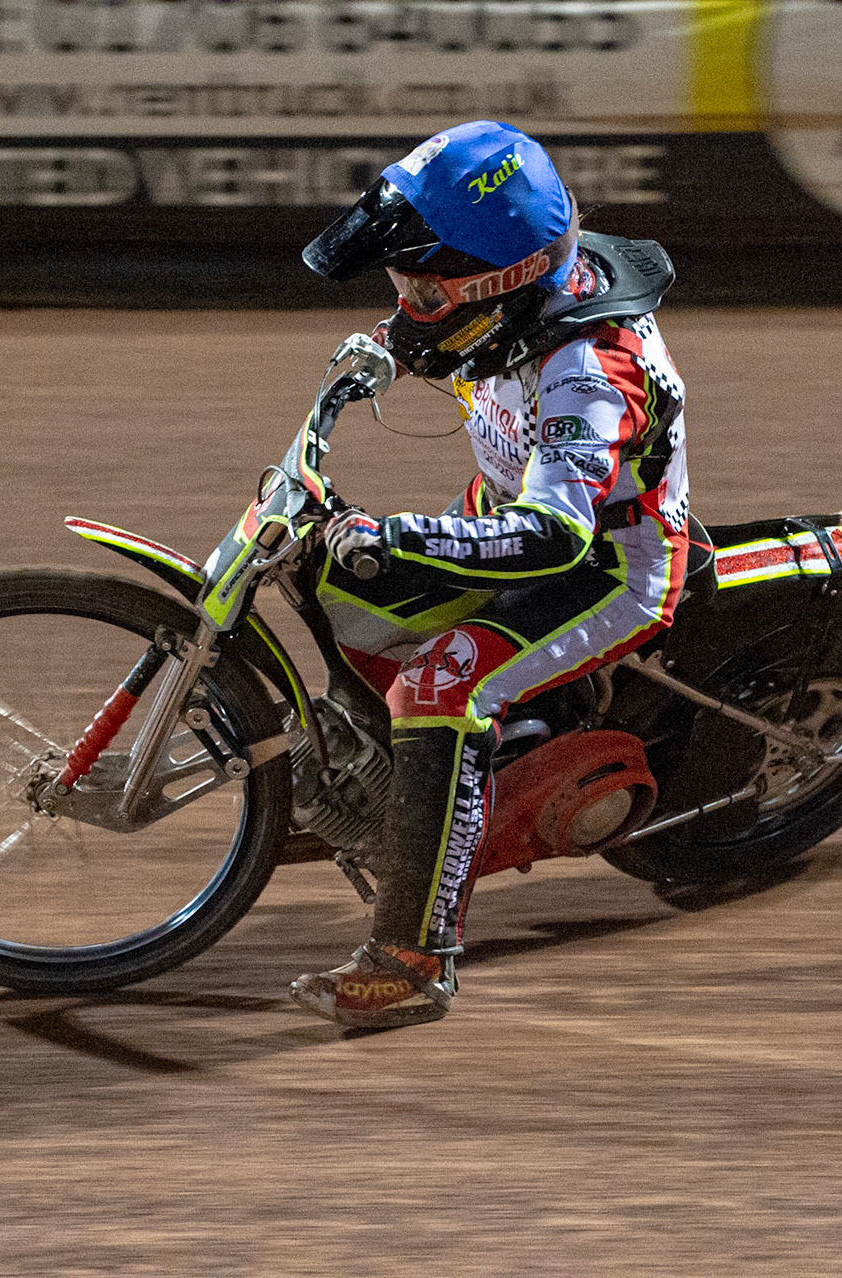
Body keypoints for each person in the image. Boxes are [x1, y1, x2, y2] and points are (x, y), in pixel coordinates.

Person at [289, 120, 690, 1028]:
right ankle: (422, 777)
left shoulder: (590, 371)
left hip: (604, 567)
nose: (407, 303)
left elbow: (551, 537)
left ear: (497, 285)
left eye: (422, 288)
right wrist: (376, 358)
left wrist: (392, 540)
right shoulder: (504, 304)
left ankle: (411, 961)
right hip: (504, 518)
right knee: (357, 589)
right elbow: (432, 339)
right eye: (400, 285)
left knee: (437, 687)